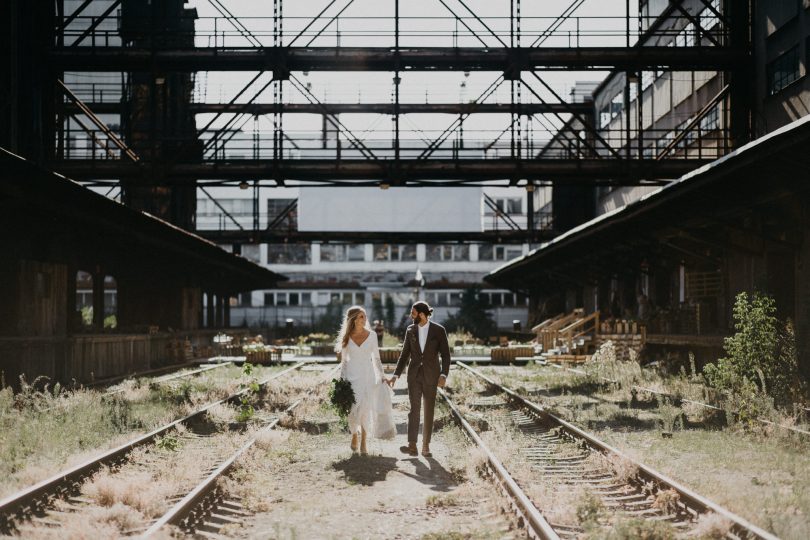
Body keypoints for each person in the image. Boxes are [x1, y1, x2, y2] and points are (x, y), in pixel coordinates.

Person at [388, 301, 450, 458]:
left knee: (429, 410)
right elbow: (404, 354)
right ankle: (412, 445)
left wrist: (443, 374)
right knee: (414, 410)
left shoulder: (438, 330)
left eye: (413, 313)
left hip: (432, 376)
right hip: (414, 376)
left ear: (422, 314)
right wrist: (396, 374)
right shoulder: (410, 330)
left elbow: (445, 355)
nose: (410, 315)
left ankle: (425, 446)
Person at [336, 306, 396, 454]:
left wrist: (382, 376)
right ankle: (354, 434)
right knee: (352, 410)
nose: (364, 319)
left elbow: (376, 358)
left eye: (365, 316)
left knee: (365, 409)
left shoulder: (372, 335)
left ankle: (363, 440)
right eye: (361, 317)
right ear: (354, 319)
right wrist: (341, 380)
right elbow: (344, 361)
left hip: (368, 375)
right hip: (351, 376)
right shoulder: (347, 337)